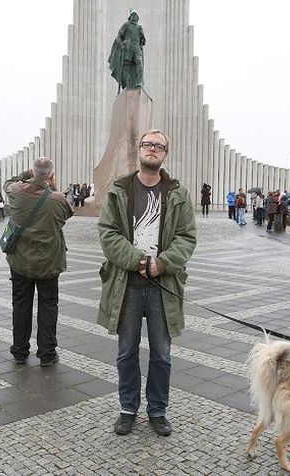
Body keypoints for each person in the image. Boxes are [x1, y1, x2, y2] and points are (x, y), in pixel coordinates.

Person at [98, 129, 196, 437]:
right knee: (126, 351)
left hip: (162, 287)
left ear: (165, 154)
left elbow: (186, 237)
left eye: (159, 146)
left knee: (161, 354)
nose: (152, 149)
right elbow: (108, 233)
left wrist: (161, 263)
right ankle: (128, 408)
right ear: (139, 150)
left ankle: (158, 410)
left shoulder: (177, 193)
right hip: (126, 285)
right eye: (147, 144)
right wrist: (137, 261)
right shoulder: (119, 190)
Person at [4, 158, 73, 367]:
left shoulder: (16, 192)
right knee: (48, 306)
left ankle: (19, 351)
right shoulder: (58, 199)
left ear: (32, 173)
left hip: (20, 261)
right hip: (48, 263)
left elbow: (8, 183)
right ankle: (47, 353)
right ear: (51, 176)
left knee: (21, 304)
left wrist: (28, 175)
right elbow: (68, 213)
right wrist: (50, 185)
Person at [108, 10, 146, 91]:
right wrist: (121, 44)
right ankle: (125, 85)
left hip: (136, 48)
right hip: (128, 48)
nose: (134, 16)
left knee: (139, 63)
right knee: (126, 66)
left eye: (136, 15)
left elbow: (144, 42)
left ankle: (139, 82)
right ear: (130, 16)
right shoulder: (126, 25)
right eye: (133, 15)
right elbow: (119, 36)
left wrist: (142, 34)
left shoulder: (139, 28)